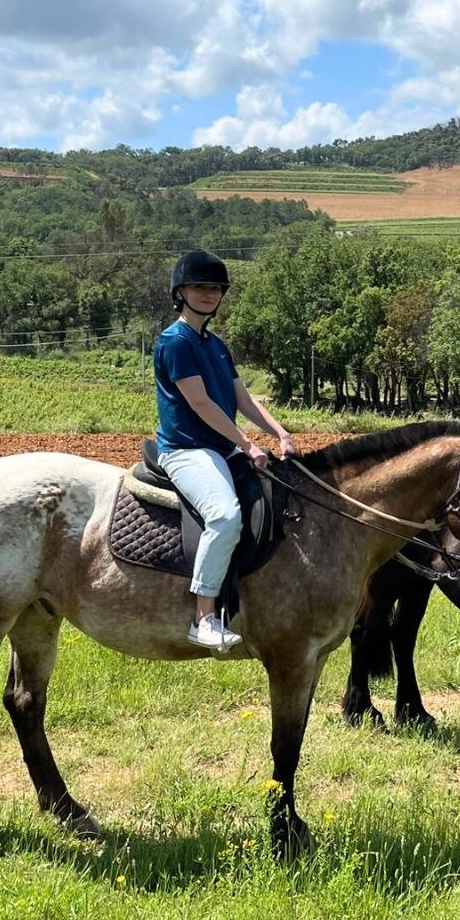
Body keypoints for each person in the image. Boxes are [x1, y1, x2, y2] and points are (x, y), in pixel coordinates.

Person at [153, 249, 296, 651]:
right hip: (187, 450)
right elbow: (200, 403)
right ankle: (203, 618)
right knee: (225, 516)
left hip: (222, 449)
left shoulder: (216, 344)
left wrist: (281, 433)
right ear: (180, 292)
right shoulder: (174, 342)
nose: (208, 294)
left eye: (216, 288)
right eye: (200, 287)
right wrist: (247, 443)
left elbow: (244, 399)